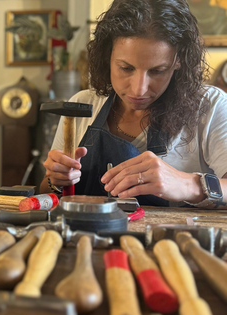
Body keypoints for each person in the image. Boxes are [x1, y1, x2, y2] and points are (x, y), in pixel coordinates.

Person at [40, 0, 227, 209]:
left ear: (178, 61)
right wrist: (54, 180)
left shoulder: (211, 106)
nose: (139, 90)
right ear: (107, 56)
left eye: (157, 71)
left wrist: (188, 185)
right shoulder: (80, 105)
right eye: (126, 68)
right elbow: (47, 194)